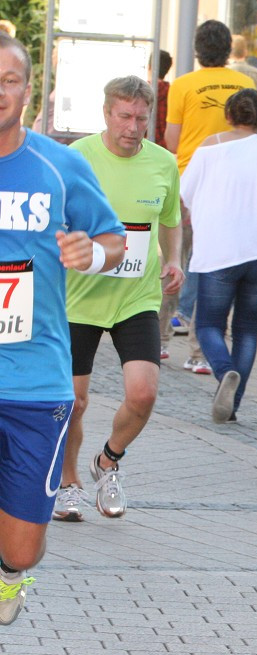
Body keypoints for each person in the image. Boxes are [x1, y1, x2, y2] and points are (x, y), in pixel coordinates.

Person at [0, 33, 125, 624]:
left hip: (35, 380)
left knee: (22, 547)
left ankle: (8, 575)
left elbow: (115, 241)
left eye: (9, 80)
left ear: (29, 90)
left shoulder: (60, 164)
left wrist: (89, 256)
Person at [52, 76, 183, 523]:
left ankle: (108, 461)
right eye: (124, 116)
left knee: (143, 393)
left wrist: (176, 259)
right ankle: (68, 483)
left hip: (135, 296)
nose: (132, 127)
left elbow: (171, 218)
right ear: (106, 114)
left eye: (141, 118)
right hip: (78, 298)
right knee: (74, 400)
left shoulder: (164, 163)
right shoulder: (76, 158)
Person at [181, 89, 257, 423]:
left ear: (228, 116)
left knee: (208, 324)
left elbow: (185, 195)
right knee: (247, 331)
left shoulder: (209, 147)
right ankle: (232, 405)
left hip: (219, 251)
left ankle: (224, 373)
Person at [163, 19, 256, 375]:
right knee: (214, 263)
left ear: (197, 50)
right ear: (228, 49)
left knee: (177, 257)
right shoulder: (246, 83)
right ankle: (199, 352)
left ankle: (160, 339)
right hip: (233, 186)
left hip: (191, 181)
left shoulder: (183, 85)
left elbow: (172, 141)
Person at [151, 50, 172, 147]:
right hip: (165, 148)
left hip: (144, 146)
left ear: (149, 67)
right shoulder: (172, 92)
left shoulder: (140, 92)